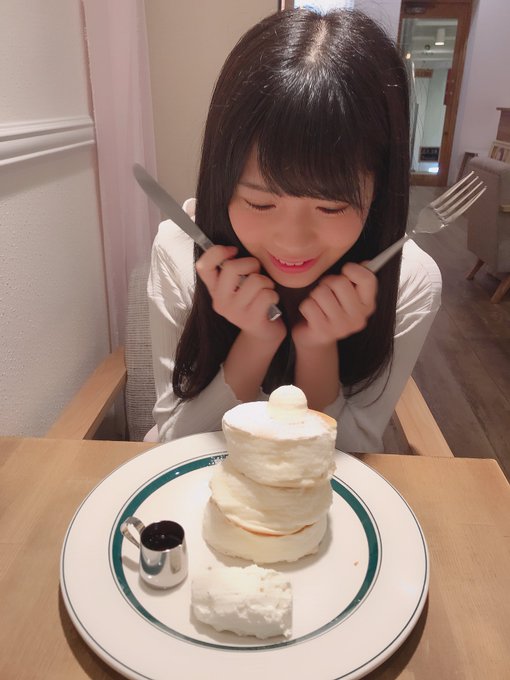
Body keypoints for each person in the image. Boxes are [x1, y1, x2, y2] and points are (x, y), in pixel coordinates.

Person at [147, 8, 441, 451]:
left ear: (380, 191)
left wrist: (317, 349)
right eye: (260, 202)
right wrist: (256, 341)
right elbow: (174, 447)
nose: (292, 241)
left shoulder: (409, 281)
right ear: (221, 182)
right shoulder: (177, 250)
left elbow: (351, 456)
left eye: (331, 206)